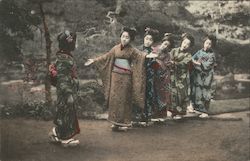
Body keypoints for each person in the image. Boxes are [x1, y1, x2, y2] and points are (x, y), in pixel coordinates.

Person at [84, 27, 157, 131]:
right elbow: (106, 57)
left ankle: (124, 123)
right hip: (115, 76)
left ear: (130, 39)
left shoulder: (132, 50)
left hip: (126, 77)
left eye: (127, 37)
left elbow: (141, 56)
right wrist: (94, 60)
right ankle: (115, 122)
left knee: (124, 99)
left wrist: (148, 56)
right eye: (123, 36)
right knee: (114, 99)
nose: (124, 39)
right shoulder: (115, 48)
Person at [49, 30, 80, 147]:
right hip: (65, 91)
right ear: (69, 44)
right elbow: (62, 78)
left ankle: (56, 133)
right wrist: (68, 94)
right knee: (66, 112)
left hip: (64, 90)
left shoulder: (63, 57)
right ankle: (65, 138)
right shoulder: (65, 59)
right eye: (74, 42)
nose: (75, 45)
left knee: (63, 111)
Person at [133, 27, 159, 125]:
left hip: (149, 76)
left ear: (153, 42)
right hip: (139, 75)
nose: (148, 41)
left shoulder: (154, 51)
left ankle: (146, 117)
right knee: (138, 94)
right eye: (146, 39)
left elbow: (155, 65)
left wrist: (154, 61)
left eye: (150, 40)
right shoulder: (138, 49)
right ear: (144, 39)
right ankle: (136, 116)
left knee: (148, 95)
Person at [168, 33, 195, 119]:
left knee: (181, 93)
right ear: (182, 42)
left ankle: (179, 112)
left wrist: (174, 63)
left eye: (188, 44)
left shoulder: (188, 55)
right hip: (172, 74)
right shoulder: (173, 50)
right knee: (172, 92)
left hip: (182, 76)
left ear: (190, 46)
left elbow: (184, 63)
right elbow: (169, 58)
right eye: (184, 42)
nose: (185, 45)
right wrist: (171, 62)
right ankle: (171, 111)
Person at [190, 35, 217, 118]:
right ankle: (195, 108)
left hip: (206, 76)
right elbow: (192, 58)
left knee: (205, 92)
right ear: (203, 43)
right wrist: (194, 62)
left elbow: (207, 65)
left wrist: (197, 63)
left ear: (212, 45)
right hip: (197, 74)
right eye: (206, 43)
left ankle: (205, 111)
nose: (207, 45)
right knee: (195, 91)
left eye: (209, 44)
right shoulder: (199, 52)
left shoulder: (211, 55)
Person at [153, 33, 175, 121]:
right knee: (155, 93)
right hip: (155, 73)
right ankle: (154, 114)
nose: (165, 46)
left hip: (165, 75)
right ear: (162, 42)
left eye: (168, 46)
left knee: (163, 95)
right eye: (165, 44)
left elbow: (168, 64)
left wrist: (169, 64)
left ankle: (162, 115)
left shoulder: (168, 54)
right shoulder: (155, 49)